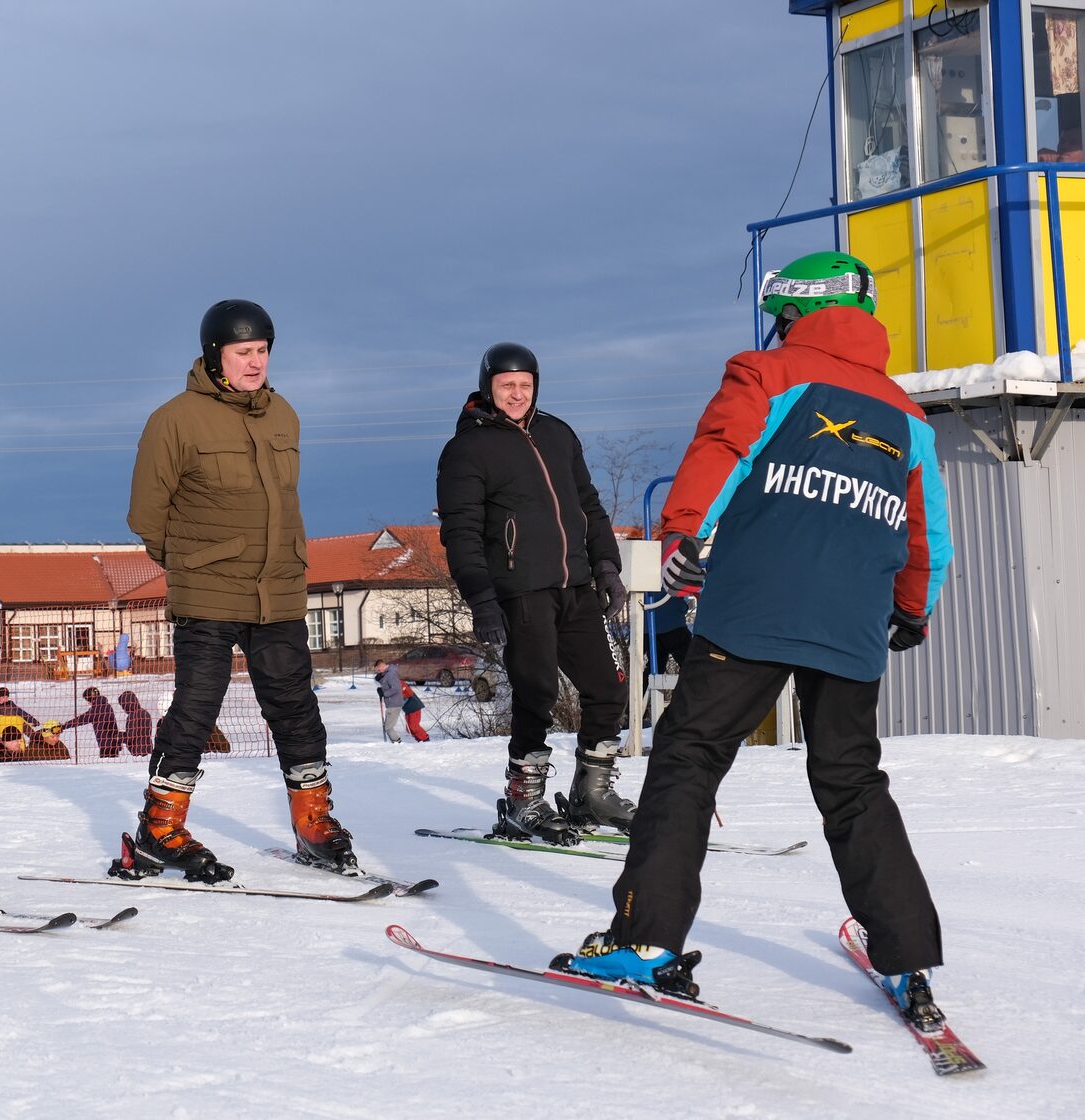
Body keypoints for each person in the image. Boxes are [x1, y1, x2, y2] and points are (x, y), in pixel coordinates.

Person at [557, 252, 954, 1029]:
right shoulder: (910, 418)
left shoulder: (767, 373)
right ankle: (908, 958)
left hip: (756, 610)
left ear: (798, 311)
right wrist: (914, 608)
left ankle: (644, 943)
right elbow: (926, 532)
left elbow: (721, 451)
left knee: (689, 758)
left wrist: (681, 532)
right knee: (852, 779)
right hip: (852, 622)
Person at [116, 299, 356, 881]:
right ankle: (160, 827)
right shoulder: (174, 419)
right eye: (243, 352)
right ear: (214, 356)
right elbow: (146, 515)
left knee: (296, 706)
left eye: (263, 351)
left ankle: (313, 821)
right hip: (209, 592)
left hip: (277, 589)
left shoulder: (284, 415)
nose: (255, 363)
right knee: (197, 709)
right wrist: (194, 564)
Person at [435, 342, 632, 845]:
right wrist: (480, 597)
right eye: (507, 385)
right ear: (488, 387)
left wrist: (607, 566)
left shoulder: (558, 434)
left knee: (609, 686)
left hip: (577, 585)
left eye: (525, 385)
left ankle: (594, 795)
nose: (517, 394)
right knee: (536, 693)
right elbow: (460, 531)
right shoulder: (468, 450)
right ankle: (524, 801)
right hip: (520, 592)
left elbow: (588, 505)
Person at [60, 685, 124, 758]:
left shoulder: (96, 710)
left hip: (106, 746)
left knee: (107, 764)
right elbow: (113, 726)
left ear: (90, 699)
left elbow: (80, 720)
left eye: (87, 700)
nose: (88, 703)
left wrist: (64, 726)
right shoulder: (108, 706)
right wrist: (118, 743)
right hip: (113, 743)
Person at [374, 659, 405, 743]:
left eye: (378, 670)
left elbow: (396, 688)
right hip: (392, 703)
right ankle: (397, 743)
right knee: (388, 727)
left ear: (381, 666)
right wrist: (380, 681)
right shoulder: (387, 674)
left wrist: (384, 693)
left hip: (394, 703)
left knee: (388, 727)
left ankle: (398, 743)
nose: (378, 672)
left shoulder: (390, 674)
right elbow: (387, 684)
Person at [118, 690, 154, 756]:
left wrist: (118, 736)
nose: (123, 709)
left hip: (138, 752)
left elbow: (130, 738)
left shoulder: (132, 717)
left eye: (123, 706)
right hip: (149, 749)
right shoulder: (145, 713)